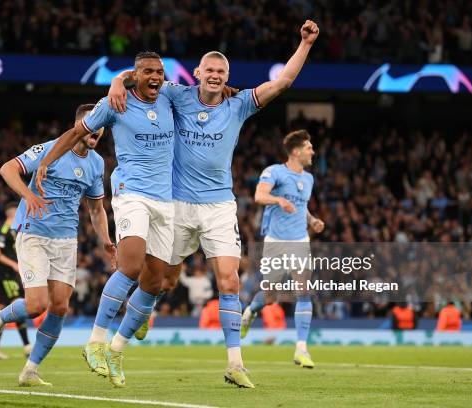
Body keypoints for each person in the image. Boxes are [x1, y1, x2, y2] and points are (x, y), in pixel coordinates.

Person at [108, 20, 320, 388]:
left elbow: (282, 82)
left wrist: (304, 43)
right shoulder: (176, 95)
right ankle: (120, 338)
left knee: (229, 280)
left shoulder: (239, 104)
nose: (216, 76)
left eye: (222, 71)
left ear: (228, 76)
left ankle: (234, 363)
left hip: (219, 206)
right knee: (161, 282)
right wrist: (117, 81)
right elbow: (144, 76)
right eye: (210, 70)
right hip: (175, 204)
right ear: (197, 73)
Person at [35, 51, 175, 388]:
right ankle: (95, 341)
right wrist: (46, 161)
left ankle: (116, 348)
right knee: (129, 265)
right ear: (134, 75)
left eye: (159, 72)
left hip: (166, 198)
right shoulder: (114, 102)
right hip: (132, 193)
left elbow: (205, 94)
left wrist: (227, 91)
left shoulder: (172, 95)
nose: (155, 77)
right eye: (147, 72)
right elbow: (74, 132)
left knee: (157, 283)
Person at [0, 104, 116, 387]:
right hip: (34, 234)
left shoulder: (96, 163)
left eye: (99, 132)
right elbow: (7, 170)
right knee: (36, 305)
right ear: (79, 125)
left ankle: (30, 370)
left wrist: (105, 239)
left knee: (59, 308)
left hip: (65, 241)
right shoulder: (50, 150)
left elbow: (96, 208)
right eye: (92, 129)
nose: (96, 135)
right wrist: (28, 195)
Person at [240, 130, 324, 369]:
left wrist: (312, 220)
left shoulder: (308, 179)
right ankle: (250, 312)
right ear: (296, 152)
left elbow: (302, 206)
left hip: (299, 240)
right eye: (309, 148)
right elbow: (259, 196)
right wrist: (278, 200)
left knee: (303, 290)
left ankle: (301, 349)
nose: (312, 151)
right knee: (270, 296)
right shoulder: (274, 172)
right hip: (275, 240)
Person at [0, 202, 32, 359]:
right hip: (6, 274)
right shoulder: (5, 229)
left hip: (7, 275)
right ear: (12, 213)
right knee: (17, 304)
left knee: (1, 309)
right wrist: (13, 264)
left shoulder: (14, 229)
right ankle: (27, 346)